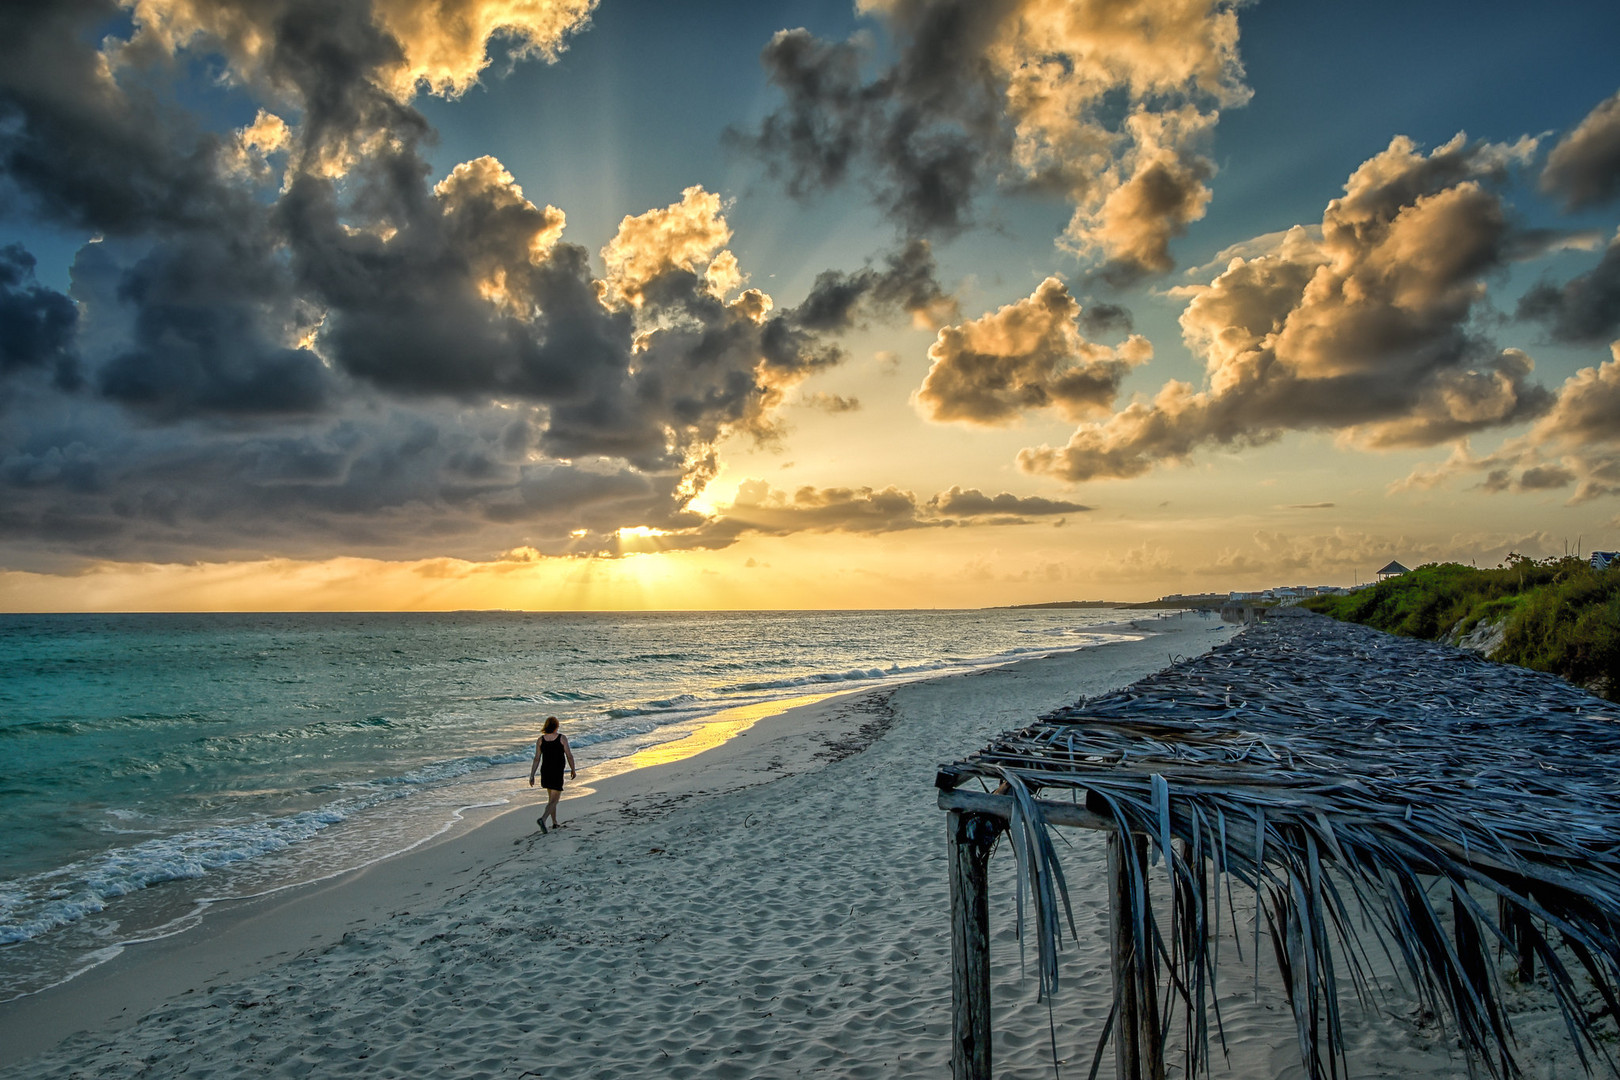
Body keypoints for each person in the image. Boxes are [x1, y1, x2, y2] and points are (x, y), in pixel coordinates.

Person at [528, 716, 576, 834]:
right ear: (556, 726)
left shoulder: (541, 740)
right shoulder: (561, 738)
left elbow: (536, 759)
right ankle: (543, 819)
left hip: (545, 771)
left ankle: (554, 822)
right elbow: (569, 755)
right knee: (555, 800)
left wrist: (532, 775)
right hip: (557, 771)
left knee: (551, 799)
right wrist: (573, 769)